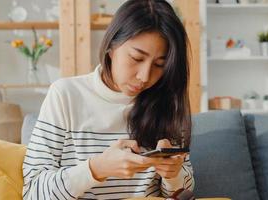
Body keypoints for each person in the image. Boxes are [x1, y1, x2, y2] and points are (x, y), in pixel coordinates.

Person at [22, 0, 194, 199]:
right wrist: (96, 168)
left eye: (159, 64)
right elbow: (33, 193)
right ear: (111, 47)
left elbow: (185, 192)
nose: (145, 76)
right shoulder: (65, 95)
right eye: (137, 58)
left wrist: (173, 174)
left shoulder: (166, 102)